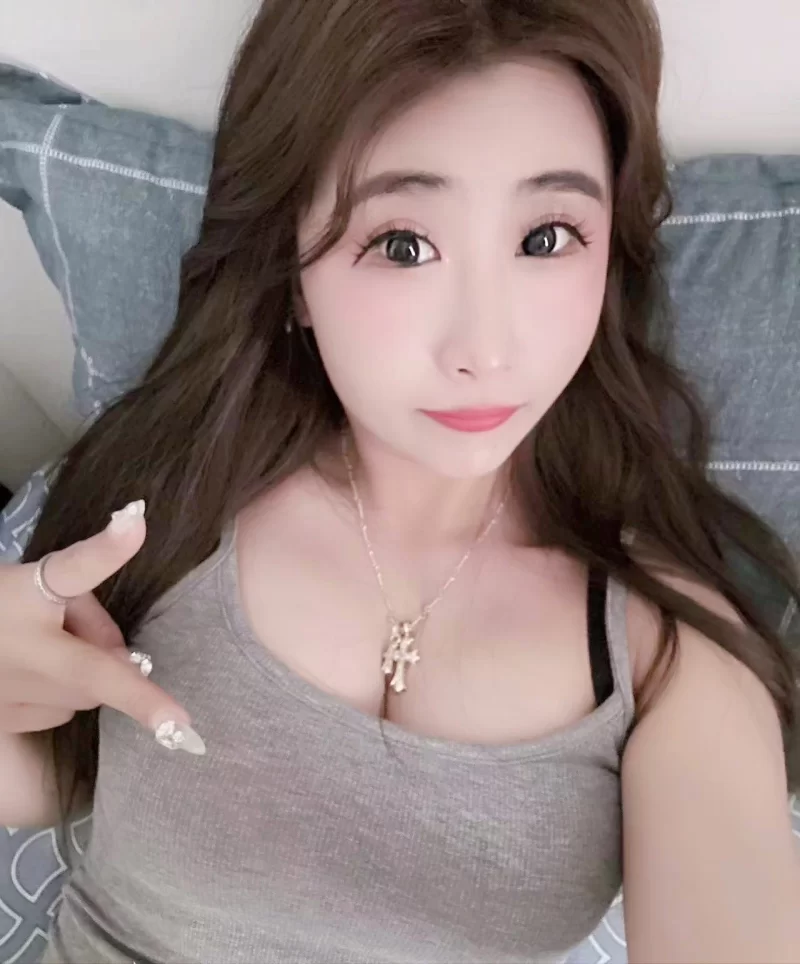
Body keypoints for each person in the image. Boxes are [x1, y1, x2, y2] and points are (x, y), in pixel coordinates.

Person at [1, 0, 799, 961]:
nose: (486, 349)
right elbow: (45, 779)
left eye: (548, 237)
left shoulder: (666, 653)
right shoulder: (165, 509)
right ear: (293, 272)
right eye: (402, 244)